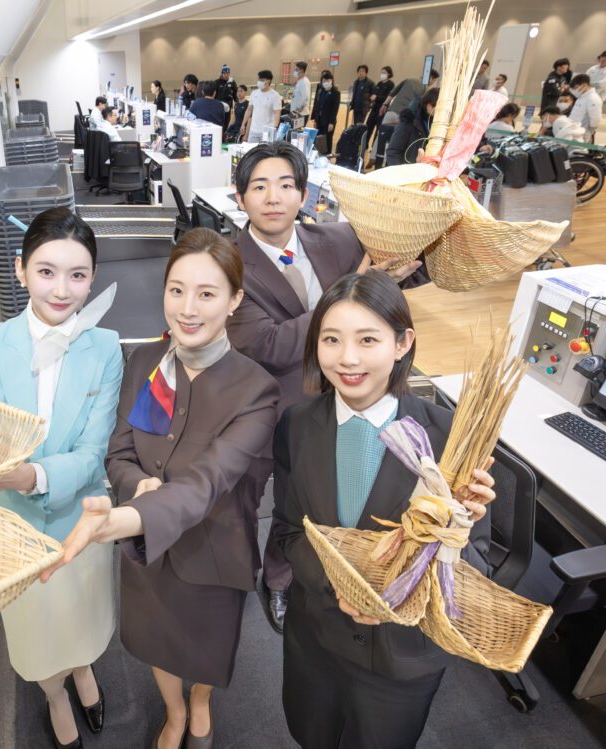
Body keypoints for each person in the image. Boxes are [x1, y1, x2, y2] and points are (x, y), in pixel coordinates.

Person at [42, 228, 280, 749]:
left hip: (214, 552)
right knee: (157, 644)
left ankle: (200, 702)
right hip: (149, 557)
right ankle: (174, 710)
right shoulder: (145, 363)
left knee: (208, 650)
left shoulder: (256, 390)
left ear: (235, 300)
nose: (187, 309)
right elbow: (119, 453)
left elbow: (208, 482)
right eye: (176, 290)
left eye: (207, 293)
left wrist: (126, 518)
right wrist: (137, 484)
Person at [272, 270, 496, 749]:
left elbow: (476, 566)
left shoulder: (449, 439)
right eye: (331, 339)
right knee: (311, 734)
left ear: (402, 343)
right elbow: (289, 531)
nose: (347, 358)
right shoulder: (297, 425)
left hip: (402, 657)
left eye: (368, 339)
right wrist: (339, 584)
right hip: (316, 640)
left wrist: (459, 533)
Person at [227, 142, 428, 634]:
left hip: (348, 397)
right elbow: (268, 344)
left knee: (332, 494)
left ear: (304, 195)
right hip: (270, 406)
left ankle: (334, 573)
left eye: (286, 185)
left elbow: (409, 275)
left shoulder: (338, 237)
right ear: (240, 196)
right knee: (273, 499)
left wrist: (411, 238)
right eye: (259, 186)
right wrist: (351, 289)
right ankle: (268, 576)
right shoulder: (229, 264)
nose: (273, 197)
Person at [0, 208, 123, 749]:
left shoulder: (105, 347)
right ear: (20, 269)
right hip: (14, 529)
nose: (61, 289)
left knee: (83, 619)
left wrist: (28, 474)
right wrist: (3, 477)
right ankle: (55, 695)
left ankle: (83, 670)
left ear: (92, 279)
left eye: (77, 275)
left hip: (81, 520)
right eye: (46, 271)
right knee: (36, 635)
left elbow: (92, 454)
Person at [386, 86, 439, 166]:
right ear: (428, 105)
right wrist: (399, 172)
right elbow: (393, 152)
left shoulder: (438, 125)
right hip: (404, 170)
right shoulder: (408, 122)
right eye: (437, 108)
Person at [242, 69, 282, 143]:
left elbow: (277, 113)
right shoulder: (254, 93)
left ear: (268, 81)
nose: (259, 82)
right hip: (253, 130)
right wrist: (243, 124)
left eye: (262, 80)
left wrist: (274, 128)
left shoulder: (275, 95)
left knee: (266, 150)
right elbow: (249, 110)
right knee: (252, 149)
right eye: (259, 79)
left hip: (267, 131)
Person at [310, 70, 340, 154]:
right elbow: (317, 106)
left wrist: (331, 122)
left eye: (327, 80)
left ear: (331, 80)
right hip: (320, 119)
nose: (325, 82)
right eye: (323, 81)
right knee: (319, 139)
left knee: (328, 140)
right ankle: (319, 155)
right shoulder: (321, 91)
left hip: (328, 121)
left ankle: (328, 156)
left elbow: (335, 109)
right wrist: (316, 120)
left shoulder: (335, 93)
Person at [568, 73, 602, 142]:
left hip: (582, 134)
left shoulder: (593, 98)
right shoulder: (581, 97)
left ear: (584, 85)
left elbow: (595, 119)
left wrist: (591, 130)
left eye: (576, 88)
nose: (575, 90)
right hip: (572, 131)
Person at [216, 64, 238, 130]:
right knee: (218, 123)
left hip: (228, 107)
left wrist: (237, 103)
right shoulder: (217, 82)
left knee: (226, 123)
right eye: (224, 73)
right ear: (222, 73)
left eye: (228, 73)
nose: (226, 75)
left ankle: (224, 135)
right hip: (219, 106)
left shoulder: (232, 83)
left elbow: (235, 94)